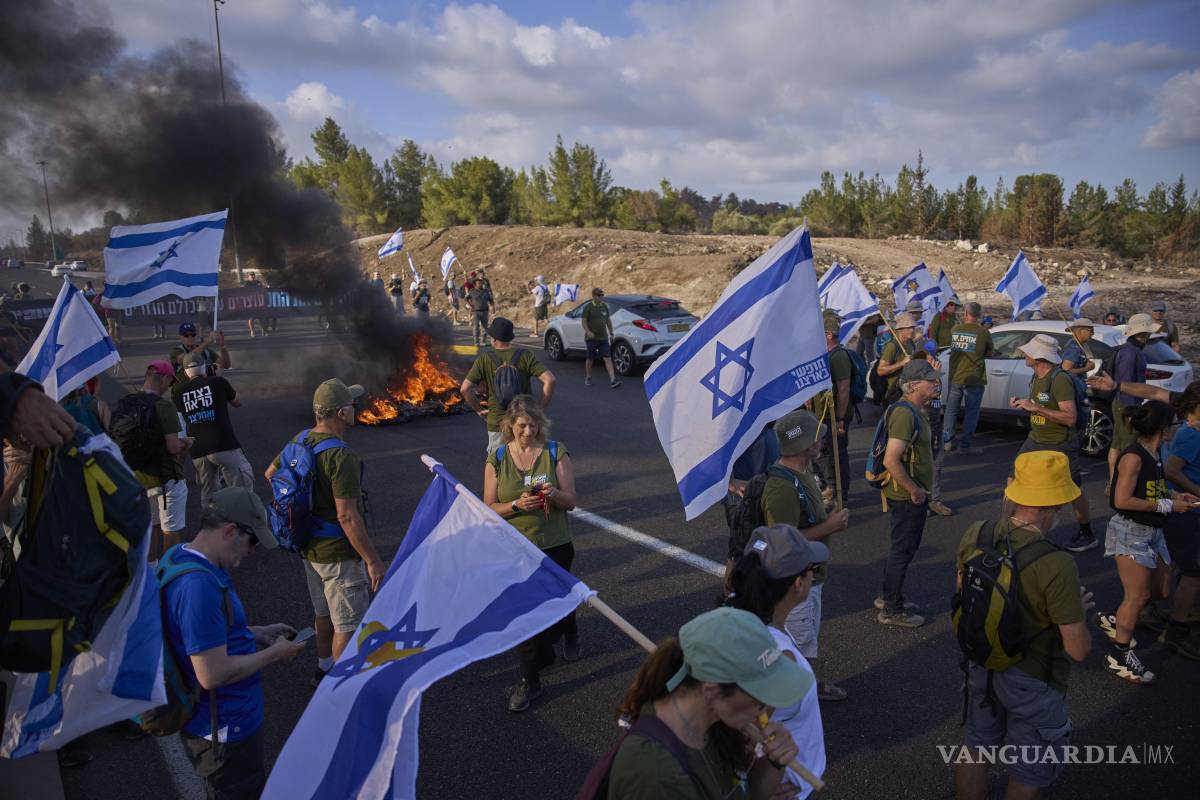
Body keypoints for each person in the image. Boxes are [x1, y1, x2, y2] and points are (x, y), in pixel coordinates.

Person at [953, 451, 1094, 800]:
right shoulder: (1057, 562)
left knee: (976, 745)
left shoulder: (977, 533)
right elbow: (1078, 649)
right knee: (1028, 767)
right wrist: (1079, 613)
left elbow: (962, 593)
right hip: (1034, 676)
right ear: (1054, 506)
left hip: (981, 661)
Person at [161, 488, 306, 799]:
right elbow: (211, 674)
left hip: (223, 722)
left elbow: (203, 633)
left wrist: (258, 632)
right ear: (229, 530)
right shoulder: (198, 586)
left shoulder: (181, 556)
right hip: (224, 730)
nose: (252, 551)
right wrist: (274, 654)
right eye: (252, 541)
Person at [606, 607, 809, 799]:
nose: (766, 705)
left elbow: (746, 793)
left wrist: (773, 762)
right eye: (759, 694)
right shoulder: (658, 776)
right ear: (711, 691)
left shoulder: (714, 724)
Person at [265, 379, 385, 685]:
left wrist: (304, 509)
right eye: (352, 405)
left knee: (324, 614)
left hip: (309, 547)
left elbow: (270, 474)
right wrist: (372, 560)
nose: (356, 408)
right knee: (347, 623)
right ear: (342, 412)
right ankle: (338, 689)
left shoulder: (302, 438)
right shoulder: (341, 456)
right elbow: (347, 516)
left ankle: (323, 669)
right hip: (338, 554)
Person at [482, 397, 578, 711]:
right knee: (523, 614)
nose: (527, 431)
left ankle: (569, 627)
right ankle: (529, 680)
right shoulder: (497, 457)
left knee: (558, 602)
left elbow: (571, 501)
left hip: (555, 545)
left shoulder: (554, 452)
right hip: (515, 550)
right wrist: (516, 505)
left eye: (533, 426)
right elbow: (488, 508)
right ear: (510, 426)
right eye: (522, 425)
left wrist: (554, 494)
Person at [1098, 401, 1198, 684]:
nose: (1180, 428)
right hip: (1131, 532)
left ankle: (1117, 619)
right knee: (1138, 596)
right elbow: (1122, 500)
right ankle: (1121, 655)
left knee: (1161, 590)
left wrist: (1176, 497)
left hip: (1153, 531)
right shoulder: (1133, 457)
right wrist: (1166, 506)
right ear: (1163, 429)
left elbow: (1151, 488)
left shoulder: (1154, 454)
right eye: (1177, 424)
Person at [726, 524, 828, 799]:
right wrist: (761, 786)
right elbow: (741, 735)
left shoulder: (739, 619)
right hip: (789, 784)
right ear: (799, 583)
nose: (812, 577)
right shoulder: (779, 658)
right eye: (811, 571)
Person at [759, 409, 849, 701]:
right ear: (802, 445)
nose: (821, 440)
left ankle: (803, 686)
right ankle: (790, 701)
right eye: (815, 437)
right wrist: (829, 526)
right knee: (794, 642)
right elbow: (782, 542)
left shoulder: (803, 472)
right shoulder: (781, 487)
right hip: (793, 583)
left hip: (810, 577)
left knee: (806, 638)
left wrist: (826, 513)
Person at [1008, 335, 1097, 553]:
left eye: (1028, 352)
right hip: (1036, 438)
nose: (1024, 355)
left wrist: (1035, 408)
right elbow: (1040, 404)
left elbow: (1070, 418)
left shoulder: (1059, 380)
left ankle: (1087, 533)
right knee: (1012, 479)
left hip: (1060, 443)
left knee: (1073, 489)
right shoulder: (1036, 376)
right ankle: (1011, 530)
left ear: (1039, 357)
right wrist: (1025, 404)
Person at [878, 360, 938, 627]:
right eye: (931, 380)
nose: (937, 383)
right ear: (914, 385)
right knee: (903, 550)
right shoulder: (905, 414)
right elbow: (891, 460)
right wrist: (914, 490)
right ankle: (892, 609)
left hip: (910, 493)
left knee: (901, 549)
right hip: (907, 496)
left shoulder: (915, 409)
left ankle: (889, 595)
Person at [125, 361, 194, 561]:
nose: (169, 387)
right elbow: (173, 447)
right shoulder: (164, 406)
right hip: (167, 479)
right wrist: (185, 443)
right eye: (170, 382)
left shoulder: (127, 403)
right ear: (163, 378)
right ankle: (170, 571)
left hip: (140, 479)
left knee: (152, 525)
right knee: (170, 529)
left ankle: (153, 569)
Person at [461, 317, 555, 455]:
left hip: (497, 422)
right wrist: (540, 409)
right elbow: (550, 379)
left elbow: (465, 389)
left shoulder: (484, 359)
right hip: (523, 422)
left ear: (493, 339)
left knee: (498, 467)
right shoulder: (526, 356)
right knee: (526, 464)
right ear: (510, 337)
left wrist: (479, 410)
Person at [175, 349, 254, 508]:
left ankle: (211, 527)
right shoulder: (217, 382)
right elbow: (238, 402)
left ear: (185, 372)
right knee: (241, 489)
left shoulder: (179, 392)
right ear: (205, 366)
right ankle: (242, 526)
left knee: (209, 496)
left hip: (198, 449)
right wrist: (218, 378)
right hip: (222, 443)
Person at [1161, 391, 1200, 660]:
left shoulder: (1192, 431)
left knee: (1180, 565)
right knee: (1194, 572)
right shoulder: (1191, 435)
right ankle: (1177, 630)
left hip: (1187, 509)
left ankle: (1183, 613)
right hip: (1187, 510)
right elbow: (1172, 470)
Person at [1108, 313, 1159, 489]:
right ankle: (1122, 484)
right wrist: (1130, 411)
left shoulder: (1131, 350)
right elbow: (1125, 382)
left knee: (1117, 443)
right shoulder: (1129, 353)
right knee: (1128, 445)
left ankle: (1113, 482)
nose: (1148, 337)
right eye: (1146, 334)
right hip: (1126, 403)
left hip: (1124, 402)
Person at [812, 312, 852, 507]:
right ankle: (833, 491)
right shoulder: (826, 355)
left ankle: (839, 496)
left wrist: (840, 418)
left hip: (833, 416)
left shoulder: (839, 356)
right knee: (826, 454)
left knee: (834, 455)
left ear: (829, 335)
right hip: (824, 416)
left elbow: (844, 388)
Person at [944, 302, 993, 456]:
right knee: (971, 413)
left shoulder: (955, 329)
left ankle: (947, 442)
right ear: (979, 315)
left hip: (956, 377)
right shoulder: (984, 333)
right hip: (975, 378)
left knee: (951, 411)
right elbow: (989, 353)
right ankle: (965, 446)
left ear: (965, 313)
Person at [582, 287, 620, 388]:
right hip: (591, 338)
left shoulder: (604, 307)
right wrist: (588, 331)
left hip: (603, 337)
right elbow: (584, 321)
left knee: (607, 357)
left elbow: (608, 320)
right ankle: (588, 377)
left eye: (602, 295)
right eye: (599, 295)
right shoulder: (588, 307)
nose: (601, 297)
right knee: (590, 358)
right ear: (594, 296)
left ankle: (613, 380)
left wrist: (611, 332)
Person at [876, 312, 918, 400]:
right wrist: (902, 363)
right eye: (909, 327)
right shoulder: (892, 346)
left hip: (909, 388)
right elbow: (880, 370)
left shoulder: (910, 343)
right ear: (901, 329)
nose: (912, 330)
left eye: (913, 327)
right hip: (895, 391)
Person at [468, 272, 496, 347]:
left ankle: (483, 341)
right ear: (475, 284)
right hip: (476, 312)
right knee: (476, 327)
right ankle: (476, 342)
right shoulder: (472, 291)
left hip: (484, 311)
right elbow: (467, 298)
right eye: (478, 283)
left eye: (481, 283)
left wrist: (493, 307)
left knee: (485, 327)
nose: (480, 284)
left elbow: (491, 300)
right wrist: (471, 305)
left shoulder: (486, 291)